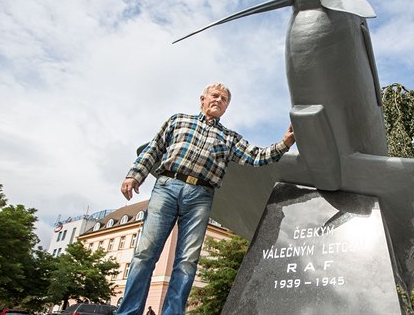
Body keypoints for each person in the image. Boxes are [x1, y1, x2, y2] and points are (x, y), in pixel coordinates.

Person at [116, 83, 295, 315]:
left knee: (187, 261)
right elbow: (154, 148)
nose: (219, 100)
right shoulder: (177, 120)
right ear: (202, 99)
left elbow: (257, 157)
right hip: (168, 186)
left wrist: (285, 144)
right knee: (145, 253)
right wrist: (134, 176)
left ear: (226, 108)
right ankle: (129, 312)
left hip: (201, 195)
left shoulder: (229, 137)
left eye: (224, 99)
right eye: (215, 96)